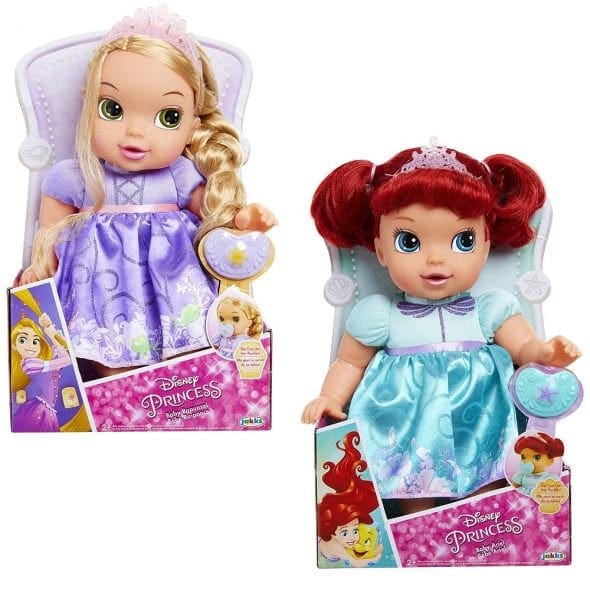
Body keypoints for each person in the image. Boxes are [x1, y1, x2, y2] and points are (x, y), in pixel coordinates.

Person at [302, 140, 580, 511]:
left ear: (485, 247)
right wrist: (331, 398)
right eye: (409, 241)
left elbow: (523, 346)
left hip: (479, 417)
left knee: (490, 478)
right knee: (413, 486)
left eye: (463, 241)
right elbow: (350, 362)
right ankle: (414, 530)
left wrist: (545, 353)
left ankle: (484, 524)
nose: (435, 258)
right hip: (407, 424)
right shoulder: (380, 314)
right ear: (381, 250)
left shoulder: (488, 310)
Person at [19, 6, 275, 373]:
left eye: (168, 117)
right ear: (88, 108)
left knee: (186, 341)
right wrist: (42, 264)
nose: (135, 131)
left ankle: (177, 382)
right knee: (109, 355)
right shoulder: (78, 176)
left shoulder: (179, 175)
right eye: (112, 109)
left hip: (172, 277)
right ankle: (114, 386)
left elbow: (210, 212)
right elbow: (51, 229)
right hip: (102, 290)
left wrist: (243, 220)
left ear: (192, 127)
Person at [317, 431, 383, 567]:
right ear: (333, 532)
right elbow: (358, 563)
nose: (353, 537)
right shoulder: (335, 546)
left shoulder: (338, 540)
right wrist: (377, 556)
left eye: (355, 530)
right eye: (344, 532)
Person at [11, 313, 72, 432]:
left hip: (47, 409)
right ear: (14, 345)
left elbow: (67, 351)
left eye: (35, 341)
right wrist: (52, 336)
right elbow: (67, 360)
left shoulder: (42, 360)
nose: (30, 345)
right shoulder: (29, 364)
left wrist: (50, 331)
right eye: (23, 340)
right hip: (39, 411)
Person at [210, 293, 262, 359]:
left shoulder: (247, 341)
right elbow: (212, 346)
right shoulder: (220, 337)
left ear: (249, 323)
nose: (226, 323)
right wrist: (221, 331)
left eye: (235, 319)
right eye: (222, 319)